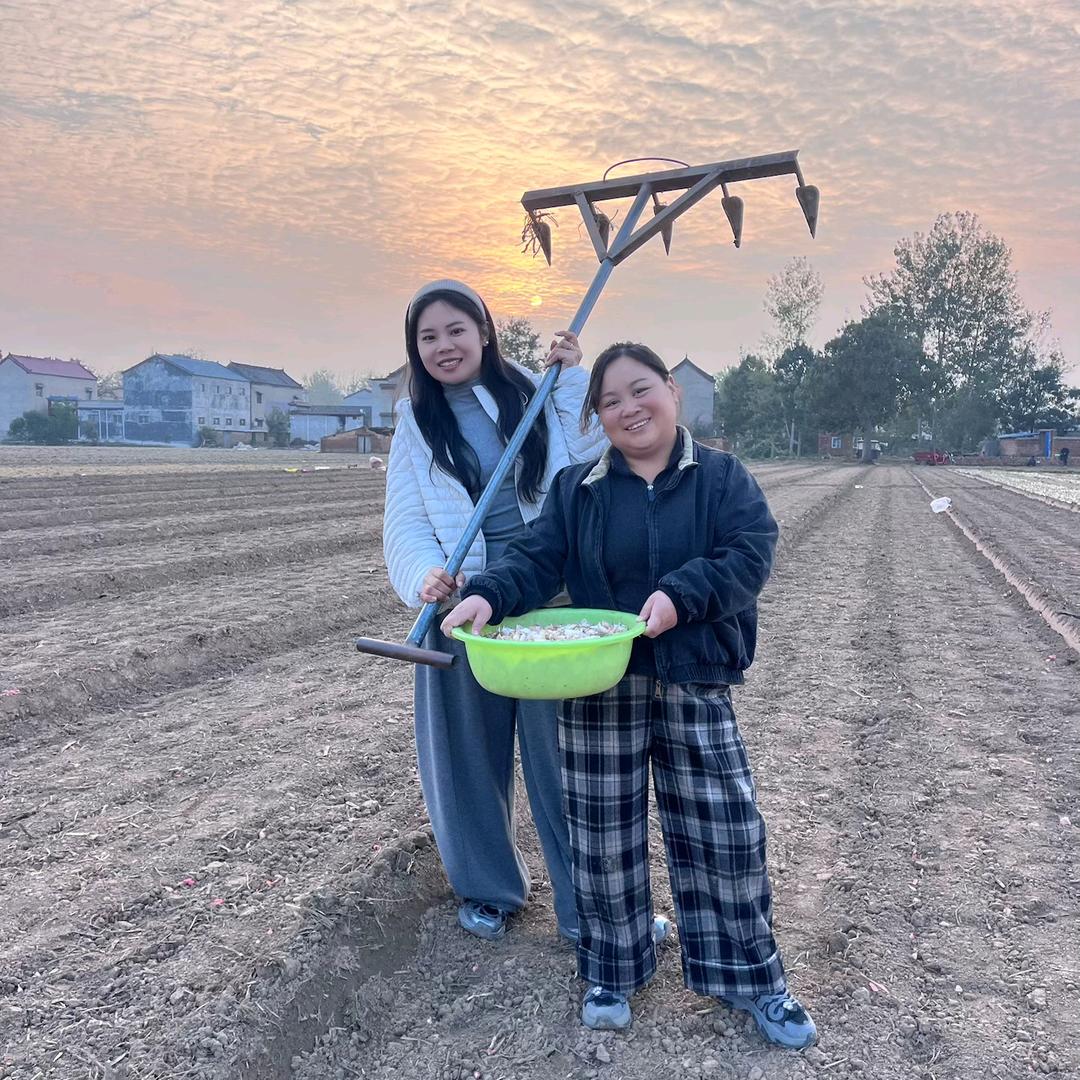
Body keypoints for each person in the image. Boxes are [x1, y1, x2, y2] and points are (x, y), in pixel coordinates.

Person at [443, 342, 816, 1048]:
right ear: (598, 419)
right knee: (603, 839)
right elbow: (534, 559)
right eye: (609, 402)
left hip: (694, 676)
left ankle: (754, 979)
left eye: (640, 390)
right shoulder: (578, 488)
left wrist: (682, 595)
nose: (627, 409)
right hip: (599, 682)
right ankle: (613, 967)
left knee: (725, 833)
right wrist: (487, 594)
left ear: (672, 392)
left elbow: (750, 554)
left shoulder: (722, 478)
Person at [383, 279, 607, 943]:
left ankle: (584, 904)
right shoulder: (415, 424)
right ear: (415, 350)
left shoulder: (532, 394)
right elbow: (405, 515)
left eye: (457, 329)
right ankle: (489, 889)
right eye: (429, 337)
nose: (444, 346)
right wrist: (425, 575)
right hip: (461, 607)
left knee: (562, 759)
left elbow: (589, 449)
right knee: (465, 756)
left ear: (484, 332)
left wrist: (570, 376)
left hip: (543, 595)